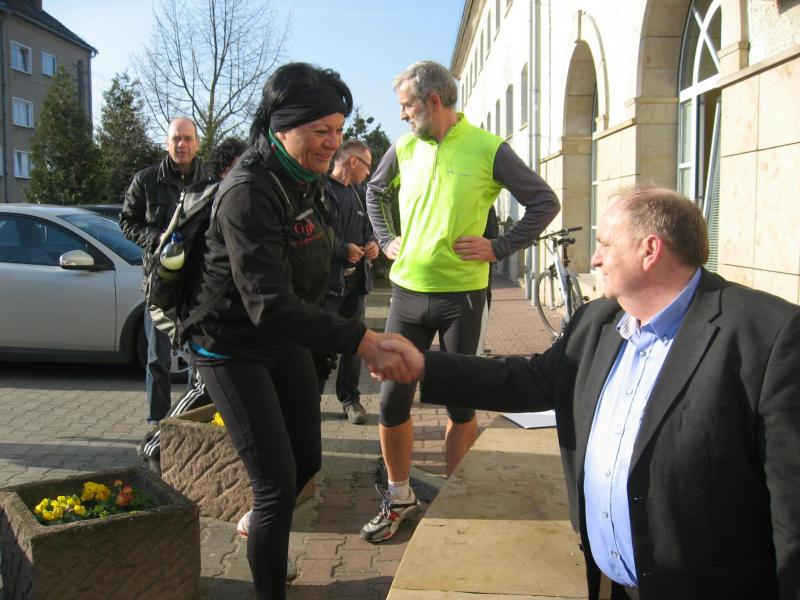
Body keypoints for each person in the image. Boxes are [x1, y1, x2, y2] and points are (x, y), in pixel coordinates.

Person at [378, 187, 800, 600]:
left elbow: (792, 510)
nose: (595, 259)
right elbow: (530, 380)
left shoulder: (767, 335)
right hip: (610, 584)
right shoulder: (597, 320)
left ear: (650, 251)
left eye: (605, 244)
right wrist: (423, 365)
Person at [187, 62, 410, 599]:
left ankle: (265, 530)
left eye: (338, 130)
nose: (332, 142)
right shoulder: (248, 190)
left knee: (307, 460)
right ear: (281, 128)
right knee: (274, 484)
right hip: (229, 345)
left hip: (282, 338)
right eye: (320, 130)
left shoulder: (305, 182)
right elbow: (268, 303)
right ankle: (268, 574)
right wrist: (360, 340)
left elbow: (312, 261)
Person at [362, 60, 559, 543]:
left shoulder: (489, 148)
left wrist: (500, 246)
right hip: (407, 293)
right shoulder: (404, 147)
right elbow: (374, 191)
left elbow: (544, 201)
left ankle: (455, 503)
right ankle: (399, 496)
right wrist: (386, 239)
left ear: (433, 101)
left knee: (461, 405)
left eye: (407, 106)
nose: (402, 115)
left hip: (462, 299)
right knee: (391, 401)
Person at [138, 136, 248, 475]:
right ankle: (154, 445)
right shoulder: (211, 202)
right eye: (244, 165)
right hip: (203, 316)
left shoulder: (232, 199)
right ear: (228, 168)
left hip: (220, 316)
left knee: (217, 391)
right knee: (204, 388)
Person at [120, 117, 206, 435]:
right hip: (159, 284)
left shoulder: (210, 180)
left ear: (197, 143)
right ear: (167, 143)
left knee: (199, 358)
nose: (182, 144)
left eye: (187, 138)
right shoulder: (146, 180)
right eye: (176, 139)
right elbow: (127, 222)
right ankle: (157, 422)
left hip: (197, 285)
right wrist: (157, 238)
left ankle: (193, 421)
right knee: (158, 357)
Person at [320, 139, 379, 424]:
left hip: (356, 286)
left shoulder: (361, 194)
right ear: (353, 161)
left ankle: (350, 399)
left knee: (354, 344)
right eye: (367, 166)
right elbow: (314, 236)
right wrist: (342, 250)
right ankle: (309, 399)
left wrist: (373, 244)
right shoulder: (319, 190)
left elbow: (371, 230)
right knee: (319, 345)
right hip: (326, 287)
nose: (368, 173)